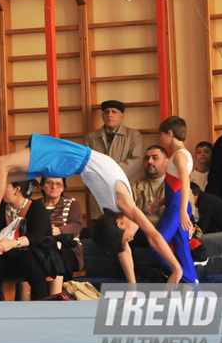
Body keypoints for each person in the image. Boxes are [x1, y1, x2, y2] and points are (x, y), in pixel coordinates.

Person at [0, 133, 183, 285]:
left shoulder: (114, 213)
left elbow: (124, 250)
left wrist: (132, 288)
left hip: (72, 161)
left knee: (1, 170)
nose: (132, 238)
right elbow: (153, 236)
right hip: (73, 156)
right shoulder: (125, 205)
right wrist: (176, 269)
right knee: (0, 168)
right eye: (130, 238)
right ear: (121, 224)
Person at [0, 179, 58, 300]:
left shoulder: (36, 207)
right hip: (8, 257)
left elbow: (36, 237)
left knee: (28, 259)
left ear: (17, 189)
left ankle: (40, 307)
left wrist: (12, 243)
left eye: (3, 186)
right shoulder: (0, 208)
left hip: (36, 255)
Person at [147, 117, 198, 284]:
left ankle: (180, 274)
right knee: (183, 249)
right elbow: (174, 187)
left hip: (177, 208)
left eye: (162, 135)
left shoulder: (180, 156)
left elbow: (185, 183)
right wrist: (160, 202)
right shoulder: (178, 154)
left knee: (156, 245)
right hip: (174, 205)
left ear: (170, 133)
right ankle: (193, 285)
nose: (161, 139)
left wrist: (183, 211)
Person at [84, 100, 143, 220]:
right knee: (103, 229)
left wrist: (109, 174)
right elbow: (86, 164)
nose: (109, 115)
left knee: (124, 227)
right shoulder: (91, 137)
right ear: (102, 115)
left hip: (124, 189)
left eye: (114, 112)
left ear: (122, 116)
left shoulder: (133, 136)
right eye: (106, 112)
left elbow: (135, 161)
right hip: (99, 191)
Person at [39, 177, 84, 286]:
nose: (54, 187)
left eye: (58, 184)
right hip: (41, 245)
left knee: (57, 254)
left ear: (63, 188)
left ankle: (56, 295)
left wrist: (58, 230)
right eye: (49, 183)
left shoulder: (72, 203)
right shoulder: (36, 205)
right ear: (42, 186)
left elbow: (77, 226)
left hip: (68, 247)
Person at [132, 145, 169, 226]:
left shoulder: (175, 184)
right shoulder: (135, 186)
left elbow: (189, 208)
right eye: (146, 158)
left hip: (167, 228)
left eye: (155, 158)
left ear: (167, 161)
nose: (150, 161)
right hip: (141, 229)